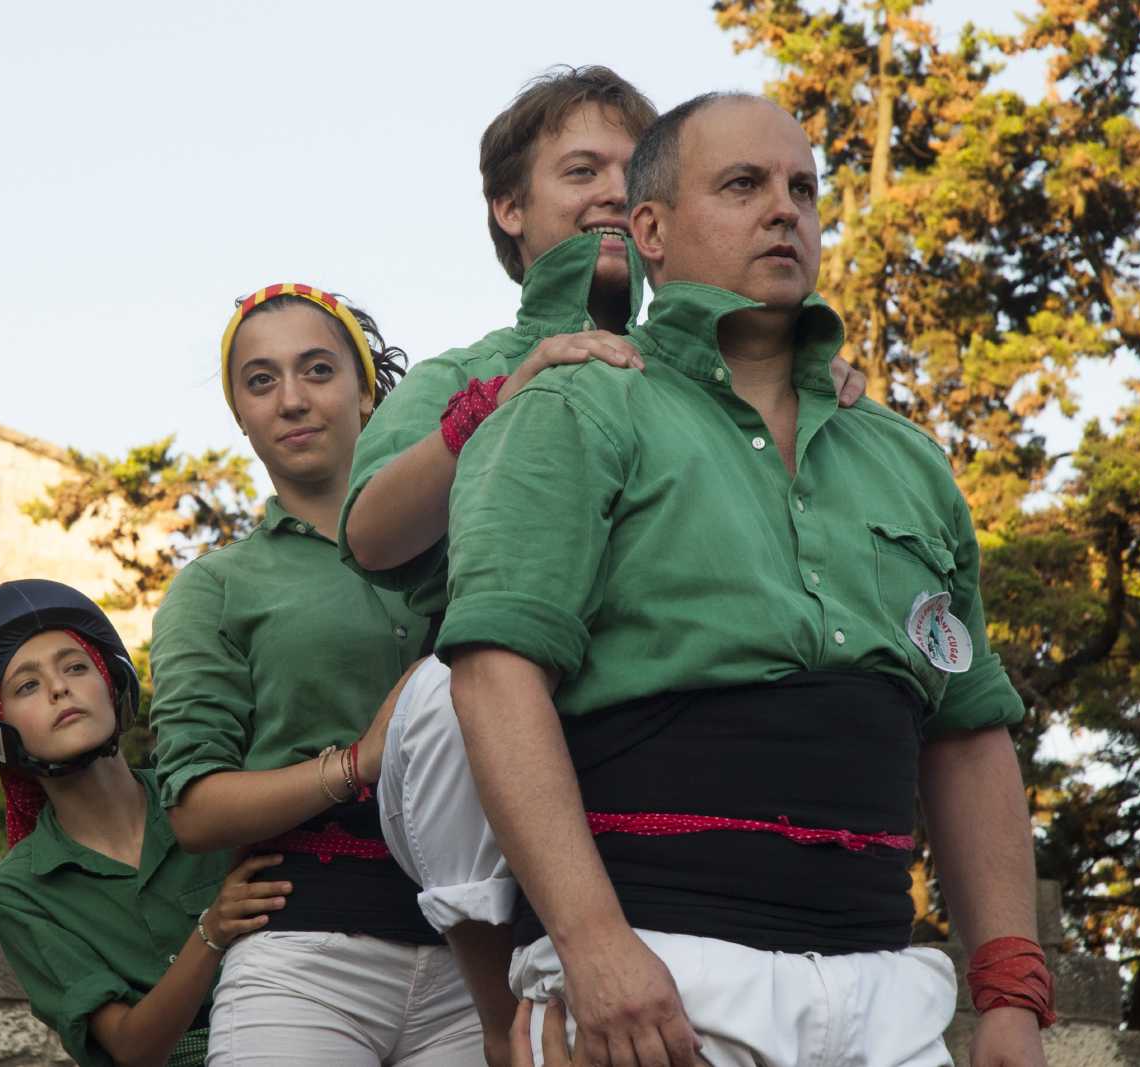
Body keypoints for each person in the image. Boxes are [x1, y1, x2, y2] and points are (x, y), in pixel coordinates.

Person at [430, 93, 1052, 1066]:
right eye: (742, 185)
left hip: (887, 995)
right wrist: (594, 944)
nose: (782, 210)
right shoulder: (575, 406)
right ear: (651, 231)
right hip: (655, 984)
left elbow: (967, 731)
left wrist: (1010, 991)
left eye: (802, 188)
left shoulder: (906, 458)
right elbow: (494, 678)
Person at [336, 66, 868, 1057]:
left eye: (632, 170)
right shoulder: (464, 370)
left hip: (665, 744)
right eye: (581, 170)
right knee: (455, 689)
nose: (612, 193)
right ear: (509, 208)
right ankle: (503, 1023)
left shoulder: (723, 370)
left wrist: (790, 385)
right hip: (497, 738)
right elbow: (370, 533)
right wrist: (502, 400)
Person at [148, 285, 484, 1065]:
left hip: (482, 958)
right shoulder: (215, 587)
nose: (292, 399)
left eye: (318, 369)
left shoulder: (474, 536)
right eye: (261, 381)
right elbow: (194, 808)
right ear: (240, 414)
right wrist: (355, 763)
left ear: (366, 391)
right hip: (304, 960)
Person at [0, 578, 291, 1067]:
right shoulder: (19, 890)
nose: (59, 687)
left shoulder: (213, 795)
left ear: (114, 684)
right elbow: (132, 1049)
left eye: (76, 666)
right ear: (0, 733)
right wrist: (211, 931)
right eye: (27, 685)